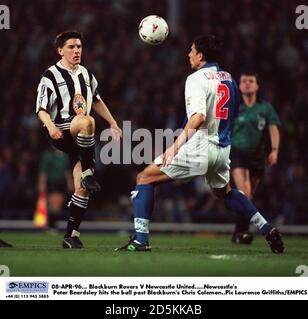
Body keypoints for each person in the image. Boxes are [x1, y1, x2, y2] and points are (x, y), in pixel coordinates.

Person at [115, 35, 284, 254]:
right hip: (222, 149)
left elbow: (198, 117)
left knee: (144, 178)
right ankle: (266, 227)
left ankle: (140, 240)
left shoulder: (195, 79)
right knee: (224, 192)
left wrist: (174, 147)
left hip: (201, 146)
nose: (189, 54)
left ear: (201, 55)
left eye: (192, 50)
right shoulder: (229, 78)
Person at [36, 30, 122, 248]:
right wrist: (51, 127)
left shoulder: (86, 74)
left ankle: (70, 235)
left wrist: (113, 123)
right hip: (63, 130)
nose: (76, 51)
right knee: (87, 122)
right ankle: (87, 172)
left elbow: (98, 101)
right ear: (60, 50)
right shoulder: (50, 75)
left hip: (80, 142)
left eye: (79, 47)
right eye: (71, 47)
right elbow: (41, 109)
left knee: (82, 189)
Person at [230, 72, 280, 244]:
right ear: (239, 85)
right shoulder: (234, 107)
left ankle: (239, 232)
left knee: (248, 197)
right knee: (245, 192)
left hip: (257, 156)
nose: (247, 84)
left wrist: (274, 150)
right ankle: (243, 232)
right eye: (244, 81)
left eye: (251, 81)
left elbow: (273, 128)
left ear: (257, 86)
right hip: (237, 154)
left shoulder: (265, 108)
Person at [38, 146, 73, 231]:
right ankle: (51, 225)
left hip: (61, 183)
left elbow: (67, 171)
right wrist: (42, 184)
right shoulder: (48, 155)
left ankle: (52, 225)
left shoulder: (65, 156)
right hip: (52, 182)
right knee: (53, 204)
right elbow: (43, 171)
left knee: (58, 205)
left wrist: (70, 183)